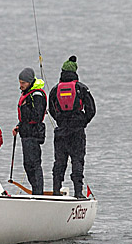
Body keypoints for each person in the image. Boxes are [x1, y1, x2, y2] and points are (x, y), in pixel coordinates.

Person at [48, 55, 96, 197]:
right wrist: (82, 122)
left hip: (61, 130)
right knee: (77, 160)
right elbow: (91, 110)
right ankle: (78, 193)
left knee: (59, 162)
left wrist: (60, 121)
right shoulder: (81, 88)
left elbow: (51, 109)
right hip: (77, 131)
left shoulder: (55, 89)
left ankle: (56, 190)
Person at [13, 67, 47, 195]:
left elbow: (37, 116)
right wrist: (19, 126)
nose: (21, 85)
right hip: (26, 133)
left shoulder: (36, 95)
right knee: (27, 164)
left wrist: (25, 108)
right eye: (20, 82)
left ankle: (38, 192)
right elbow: (25, 118)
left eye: (23, 83)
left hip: (34, 134)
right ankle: (35, 189)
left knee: (34, 164)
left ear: (30, 82)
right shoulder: (27, 94)